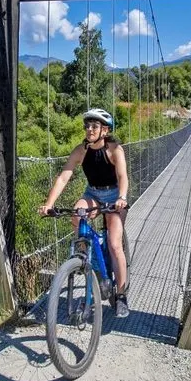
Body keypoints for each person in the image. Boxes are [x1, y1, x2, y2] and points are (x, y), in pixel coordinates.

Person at [38, 108, 130, 318]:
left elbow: (123, 176)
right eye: (87, 125)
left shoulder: (115, 149)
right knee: (77, 214)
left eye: (95, 126)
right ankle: (86, 258)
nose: (89, 129)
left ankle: (122, 295)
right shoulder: (81, 150)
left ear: (104, 130)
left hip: (114, 195)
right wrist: (49, 204)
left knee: (115, 243)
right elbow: (63, 178)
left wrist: (122, 198)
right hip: (93, 193)